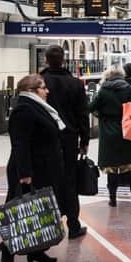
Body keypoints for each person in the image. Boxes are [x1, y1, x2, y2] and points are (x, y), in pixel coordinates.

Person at [0, 74, 63, 262]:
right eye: (43, 87)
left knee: (39, 212)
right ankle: (7, 251)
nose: (47, 91)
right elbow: (20, 143)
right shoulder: (24, 110)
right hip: (29, 169)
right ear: (32, 90)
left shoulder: (37, 106)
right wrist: (25, 173)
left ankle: (37, 252)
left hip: (41, 167)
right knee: (21, 212)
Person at [40, 45, 89, 240]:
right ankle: (74, 226)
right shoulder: (75, 84)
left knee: (45, 182)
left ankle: (47, 228)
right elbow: (82, 115)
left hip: (44, 140)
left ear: (46, 60)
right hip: (69, 140)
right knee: (70, 181)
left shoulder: (40, 82)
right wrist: (84, 140)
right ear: (64, 60)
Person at [90, 65, 131, 207]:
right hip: (127, 131)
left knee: (111, 168)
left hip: (108, 133)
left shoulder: (104, 91)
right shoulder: (129, 89)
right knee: (130, 165)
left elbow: (91, 107)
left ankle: (112, 199)